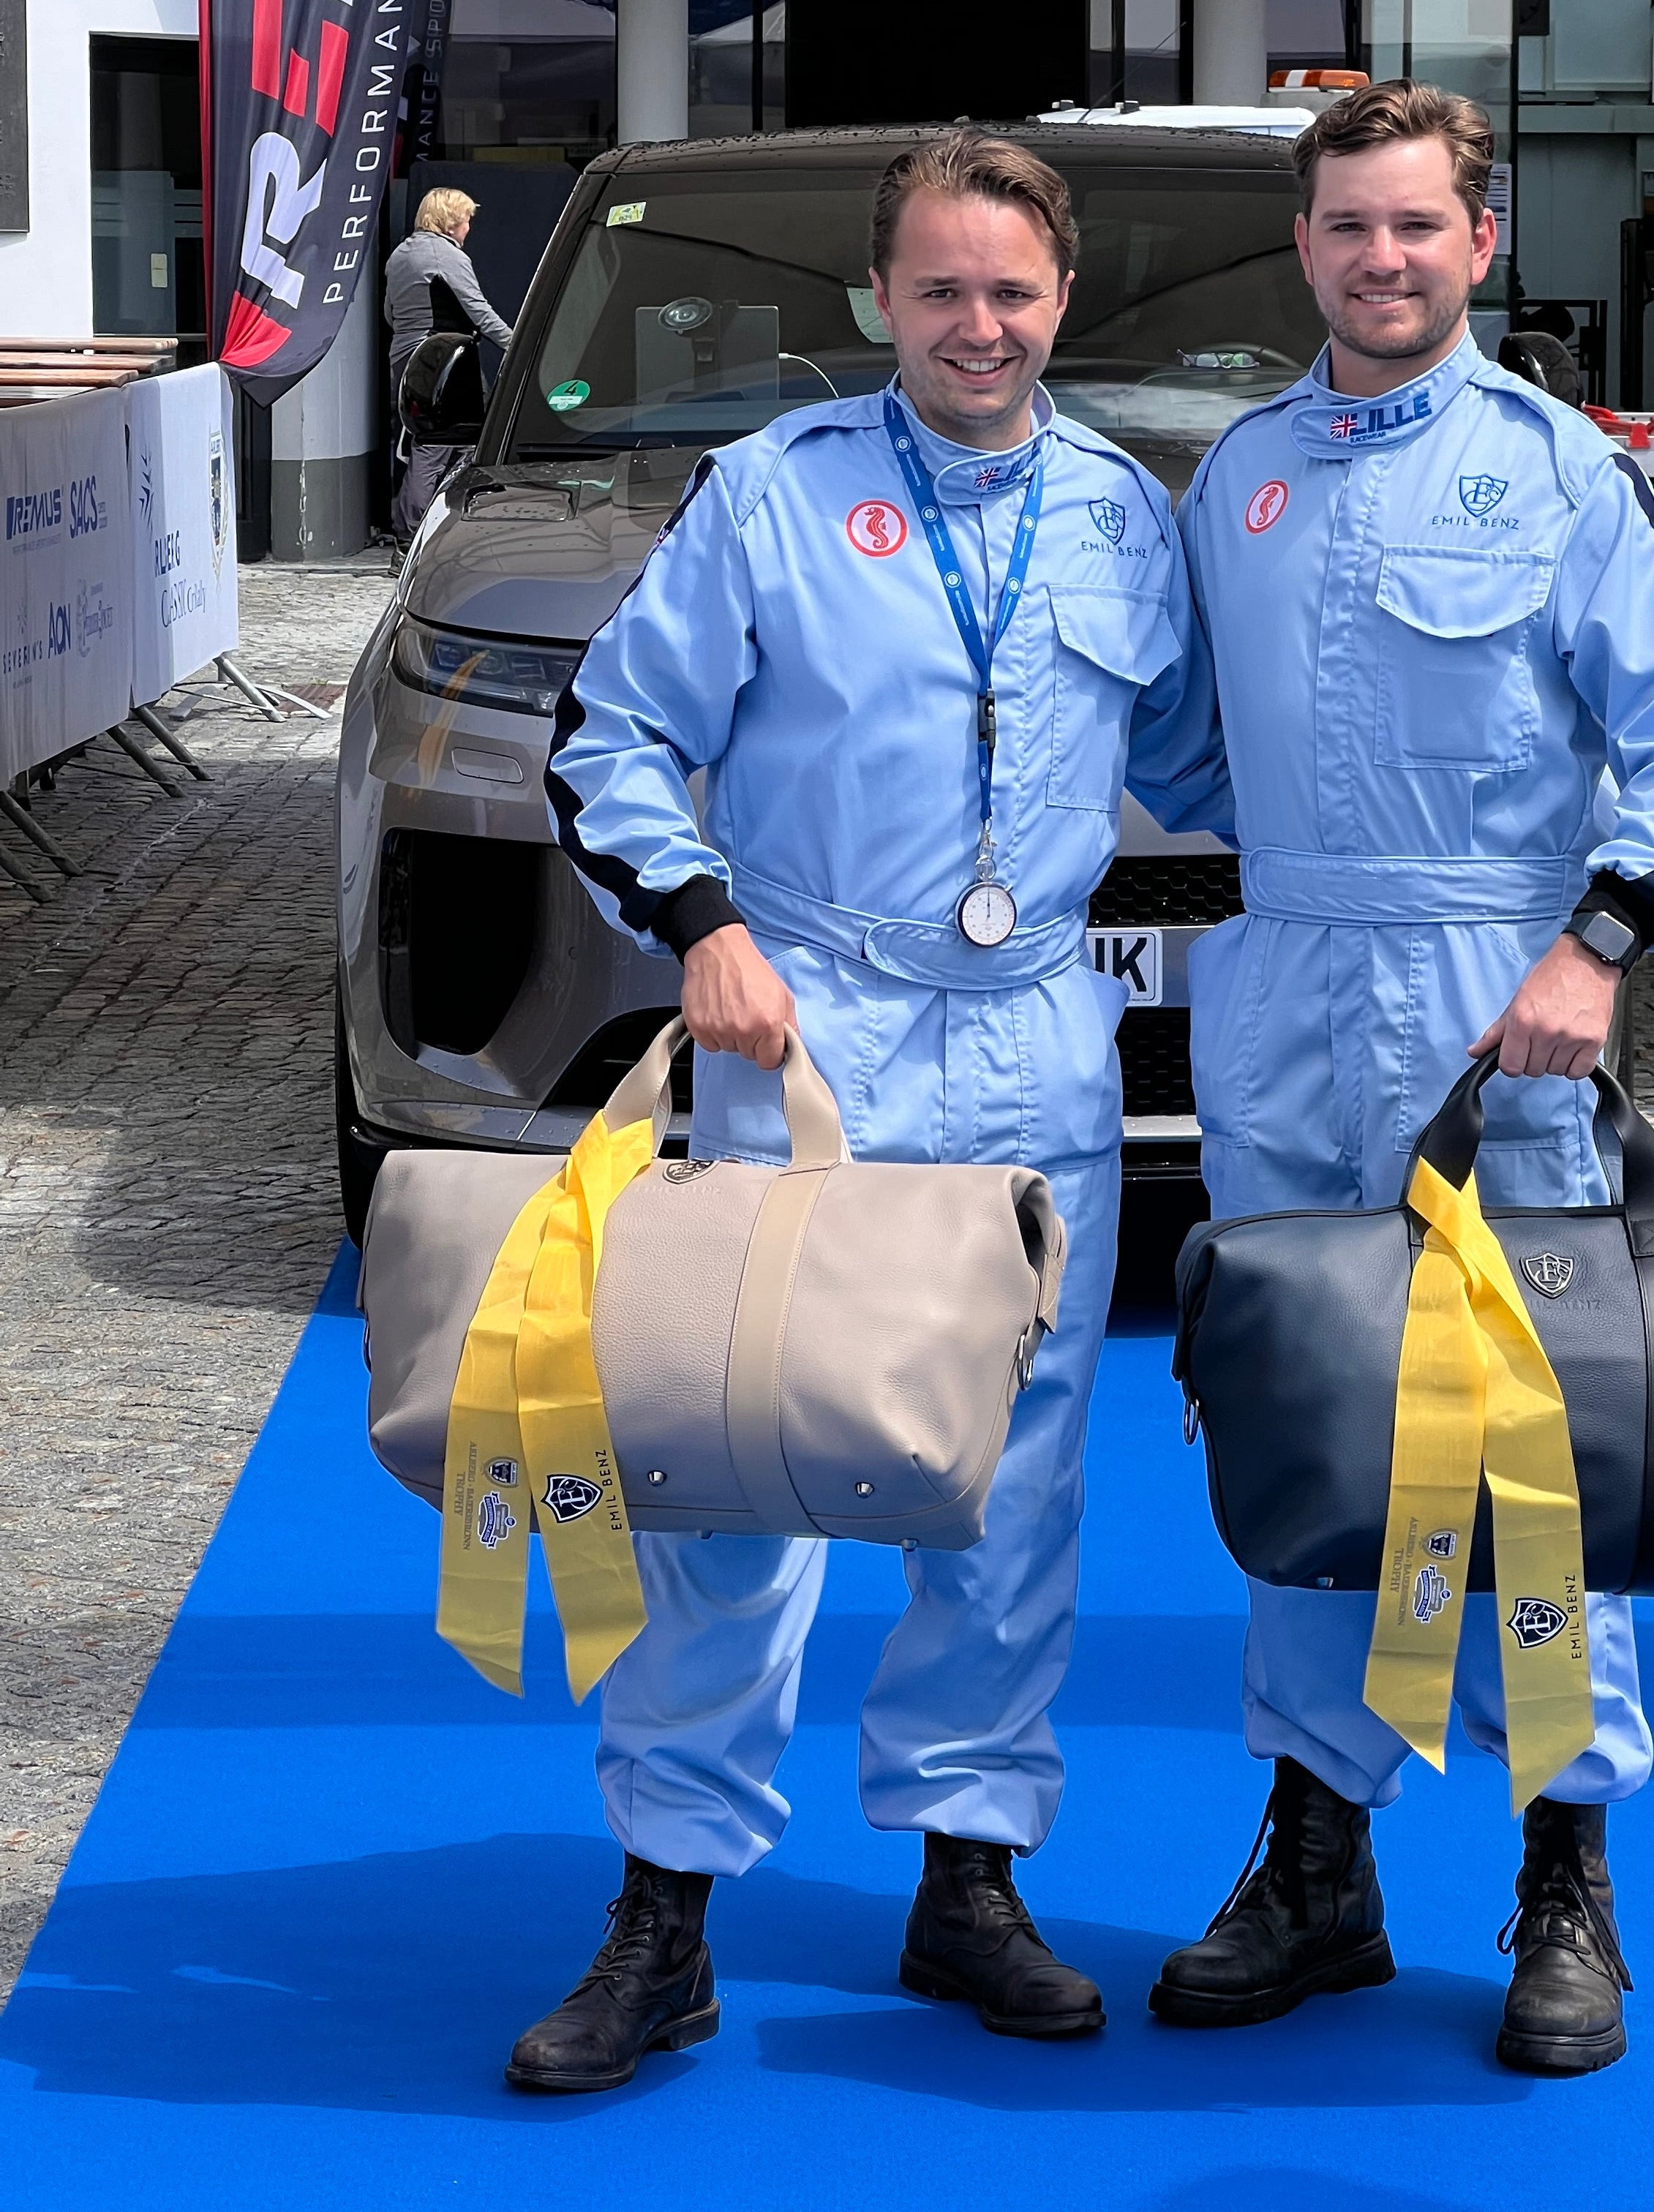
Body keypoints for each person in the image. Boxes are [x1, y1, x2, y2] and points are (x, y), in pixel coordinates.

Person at [511, 134, 1228, 2092]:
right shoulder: (774, 494)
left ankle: (968, 1877)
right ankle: (667, 1908)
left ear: (1062, 297)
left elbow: (1210, 764)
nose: (977, 326)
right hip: (808, 1032)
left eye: (1011, 291)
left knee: (1011, 1473)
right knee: (740, 1461)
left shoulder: (1123, 514)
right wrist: (703, 925)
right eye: (939, 290)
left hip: (1036, 1045)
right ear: (881, 300)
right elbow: (614, 739)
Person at [1154, 79, 1654, 2076]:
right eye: (1347, 226)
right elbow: (1171, 740)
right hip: (1281, 1002)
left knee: (1539, 1451)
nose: (1381, 258)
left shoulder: (1563, 473)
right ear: (1303, 245)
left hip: (1499, 1017)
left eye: (1417, 224)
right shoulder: (1239, 477)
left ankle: (1565, 1869)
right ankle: (1318, 1861)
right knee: (1299, 1424)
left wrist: (1599, 940)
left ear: (1480, 243)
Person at [383, 187, 514, 554]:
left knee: (430, 442)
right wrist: (518, 345)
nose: (469, 227)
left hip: (406, 359)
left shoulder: (400, 255)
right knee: (443, 445)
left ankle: (423, 535)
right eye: (467, 219)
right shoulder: (446, 255)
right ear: (451, 221)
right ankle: (413, 539)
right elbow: (479, 311)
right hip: (444, 360)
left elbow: (390, 314)